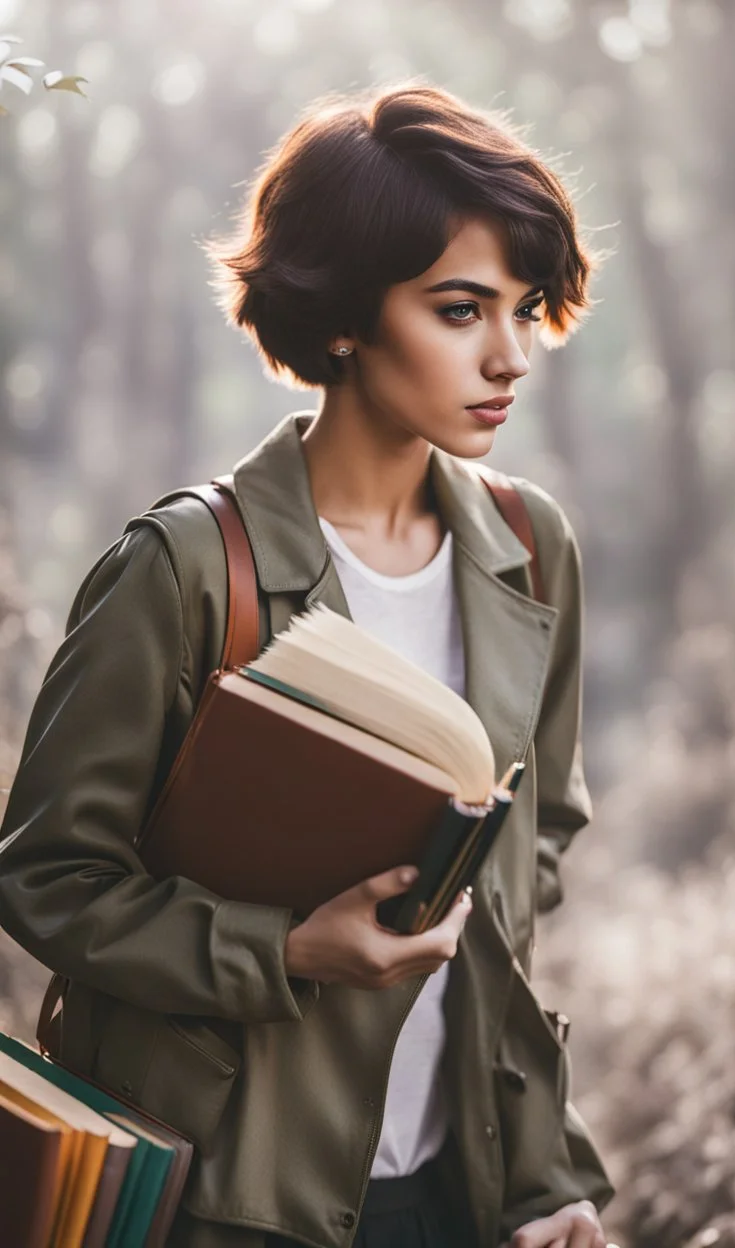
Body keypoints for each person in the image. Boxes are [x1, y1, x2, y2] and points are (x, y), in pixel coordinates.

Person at [0, 82, 615, 1248]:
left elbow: (523, 875)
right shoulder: (183, 568)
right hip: (232, 1197)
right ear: (341, 315)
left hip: (457, 1193)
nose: (509, 355)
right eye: (458, 309)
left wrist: (541, 1177)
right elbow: (45, 877)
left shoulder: (533, 551)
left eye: (524, 308)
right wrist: (282, 950)